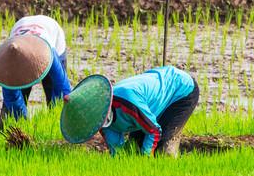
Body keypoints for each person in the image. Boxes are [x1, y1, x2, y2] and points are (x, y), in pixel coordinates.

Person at [60, 66, 199, 157]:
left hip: (181, 90)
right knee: (133, 147)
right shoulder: (101, 122)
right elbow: (117, 150)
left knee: (161, 150)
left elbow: (154, 130)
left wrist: (145, 160)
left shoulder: (128, 103)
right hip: (150, 98)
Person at [0, 15, 72, 124]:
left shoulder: (49, 53)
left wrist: (60, 114)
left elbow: (62, 89)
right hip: (22, 25)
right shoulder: (6, 63)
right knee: (10, 114)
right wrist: (23, 124)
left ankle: (57, 128)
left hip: (50, 32)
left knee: (54, 98)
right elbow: (12, 98)